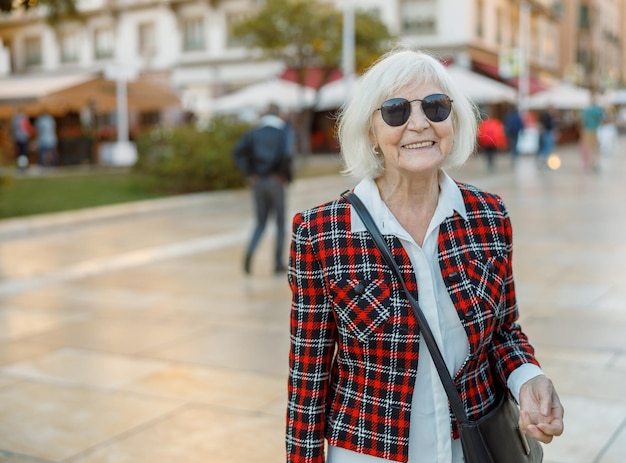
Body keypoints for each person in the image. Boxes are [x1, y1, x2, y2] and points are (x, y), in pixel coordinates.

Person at [286, 46, 564, 463]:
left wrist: (528, 376)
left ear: (453, 119)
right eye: (396, 111)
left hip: (472, 448)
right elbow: (308, 379)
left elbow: (504, 331)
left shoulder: (488, 216)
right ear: (370, 132)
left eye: (435, 107)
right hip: (368, 453)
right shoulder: (322, 232)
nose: (419, 124)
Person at [233, 103, 293, 275]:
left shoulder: (253, 133)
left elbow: (237, 152)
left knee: (260, 223)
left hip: (258, 182)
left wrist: (250, 173)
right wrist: (284, 175)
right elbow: (287, 155)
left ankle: (249, 254)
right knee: (280, 224)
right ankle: (277, 264)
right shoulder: (282, 133)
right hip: (275, 181)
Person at [580, 97, 606, 171]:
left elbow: (583, 121)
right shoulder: (598, 109)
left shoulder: (586, 110)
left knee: (587, 148)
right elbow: (602, 119)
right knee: (595, 148)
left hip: (587, 130)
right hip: (595, 130)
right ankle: (595, 163)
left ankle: (587, 164)